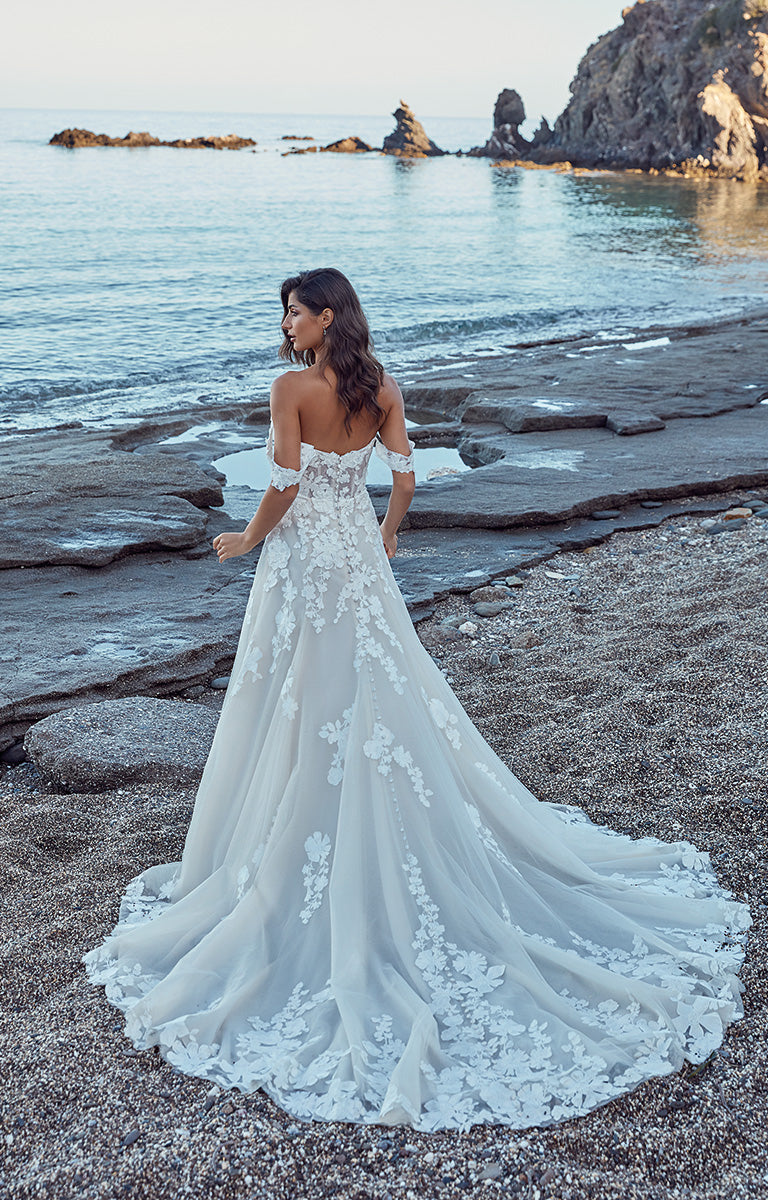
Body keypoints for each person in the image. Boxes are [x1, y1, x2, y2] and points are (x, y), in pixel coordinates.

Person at [84, 268, 750, 1132]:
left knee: (300, 699)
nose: (286, 323)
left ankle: (283, 847)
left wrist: (246, 539)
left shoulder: (290, 388)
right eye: (285, 312)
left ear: (326, 317)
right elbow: (403, 478)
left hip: (301, 568)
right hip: (358, 567)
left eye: (294, 309)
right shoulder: (383, 386)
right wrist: (388, 536)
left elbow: (284, 485)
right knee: (372, 692)